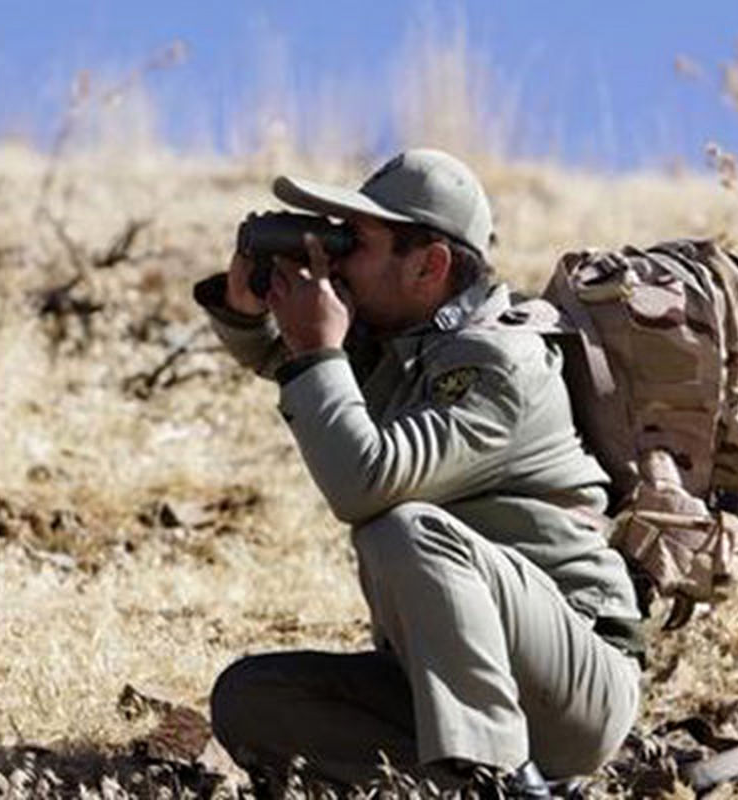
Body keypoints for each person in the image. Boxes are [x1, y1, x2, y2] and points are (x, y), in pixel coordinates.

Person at [192, 149, 644, 798]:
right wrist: (247, 310)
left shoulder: (497, 363)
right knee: (252, 699)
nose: (336, 257)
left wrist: (318, 348)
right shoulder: (410, 341)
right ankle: (454, 779)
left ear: (430, 264)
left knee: (403, 528)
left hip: (574, 685)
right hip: (452, 679)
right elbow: (297, 365)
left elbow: (363, 479)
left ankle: (506, 783)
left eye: (356, 242)